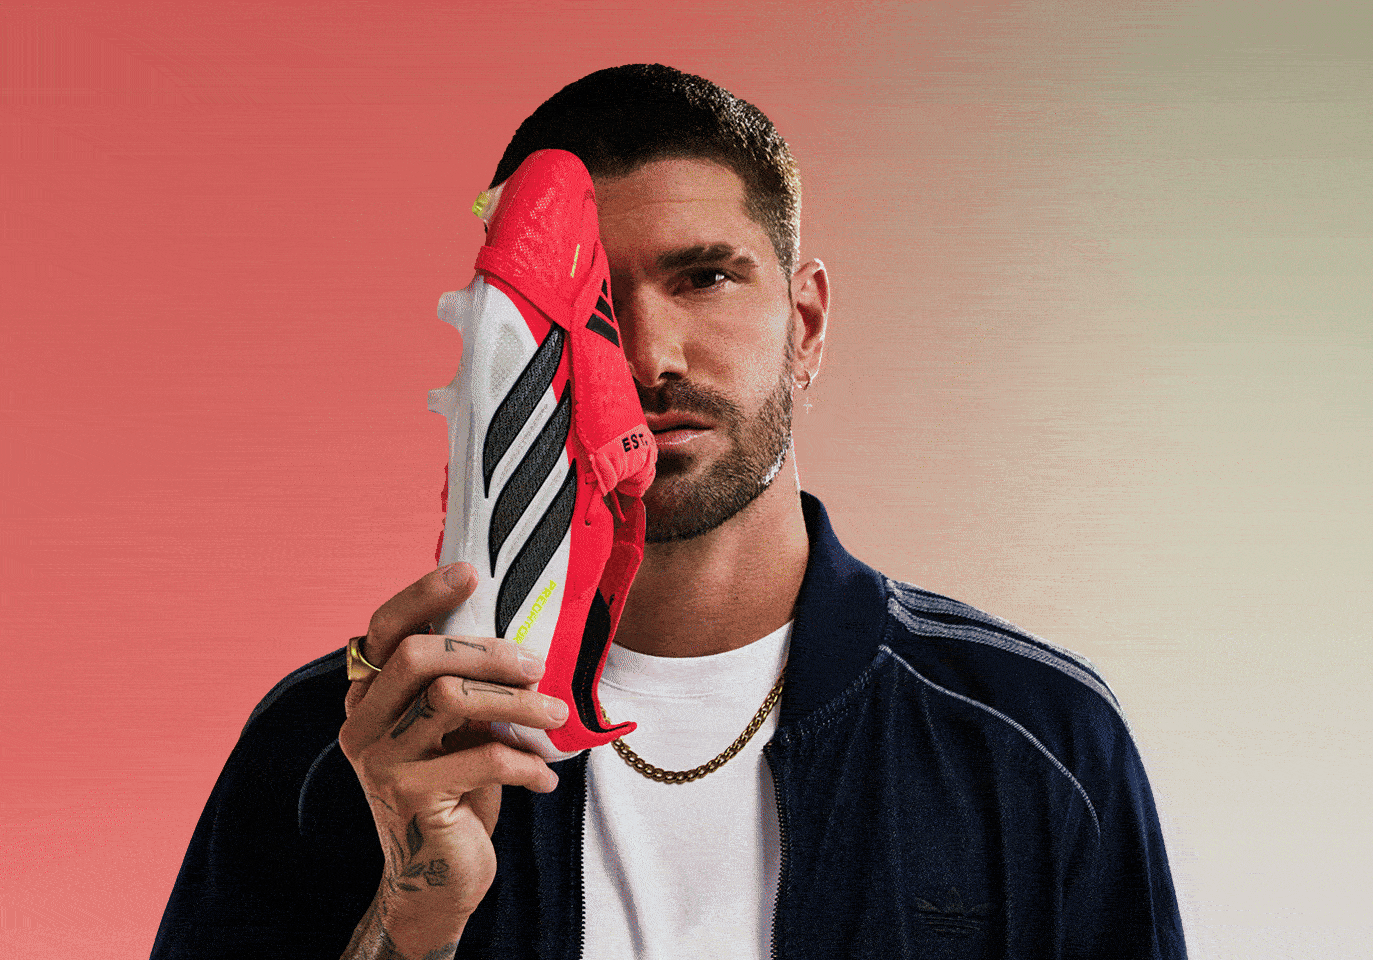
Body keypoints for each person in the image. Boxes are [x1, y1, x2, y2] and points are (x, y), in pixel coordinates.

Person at [152, 64, 1186, 960]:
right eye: (589, 305)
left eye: (704, 278)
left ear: (806, 322)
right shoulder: (339, 746)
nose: (650, 357)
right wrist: (411, 921)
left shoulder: (1035, 741)